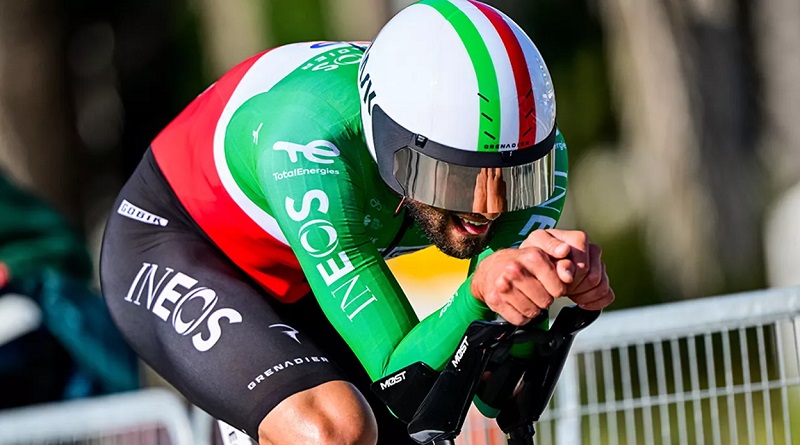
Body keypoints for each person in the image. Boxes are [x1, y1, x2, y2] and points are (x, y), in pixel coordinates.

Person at [99, 0, 614, 443]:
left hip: (303, 271)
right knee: (334, 429)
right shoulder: (310, 148)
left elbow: (499, 398)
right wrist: (477, 294)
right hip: (178, 242)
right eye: (456, 179)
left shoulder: (537, 158)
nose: (489, 207)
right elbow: (404, 386)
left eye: (513, 178)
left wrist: (542, 295)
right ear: (390, 144)